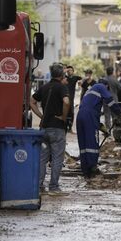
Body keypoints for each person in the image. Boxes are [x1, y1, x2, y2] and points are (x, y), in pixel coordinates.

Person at [30, 63, 70, 193]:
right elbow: (66, 102)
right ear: (62, 75)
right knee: (57, 158)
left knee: (42, 158)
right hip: (57, 128)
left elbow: (32, 101)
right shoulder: (62, 87)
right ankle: (54, 186)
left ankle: (39, 185)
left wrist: (41, 115)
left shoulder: (45, 87)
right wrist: (63, 117)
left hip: (44, 128)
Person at [76, 79, 121, 178]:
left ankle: (86, 171)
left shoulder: (90, 93)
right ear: (106, 86)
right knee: (92, 144)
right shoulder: (101, 86)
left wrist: (104, 130)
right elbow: (110, 101)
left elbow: (95, 122)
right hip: (89, 116)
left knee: (84, 145)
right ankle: (93, 168)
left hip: (80, 116)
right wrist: (119, 113)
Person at [64, 65, 82, 132]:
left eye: (71, 70)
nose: (69, 71)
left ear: (73, 71)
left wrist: (80, 82)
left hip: (71, 98)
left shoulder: (75, 78)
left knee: (71, 113)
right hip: (64, 98)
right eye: (68, 70)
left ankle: (70, 128)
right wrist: (65, 70)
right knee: (64, 112)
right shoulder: (64, 78)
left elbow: (81, 78)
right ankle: (64, 127)